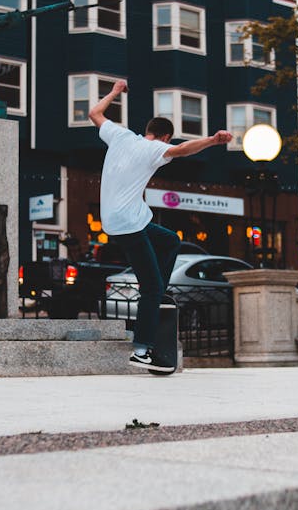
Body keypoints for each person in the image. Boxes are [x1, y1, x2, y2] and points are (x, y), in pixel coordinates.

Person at [89, 80, 233, 373]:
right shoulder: (155, 150)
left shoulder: (120, 136)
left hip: (123, 220)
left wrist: (116, 92)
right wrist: (213, 140)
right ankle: (141, 350)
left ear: (147, 129)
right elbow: (183, 150)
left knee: (170, 241)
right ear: (165, 136)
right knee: (151, 287)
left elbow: (95, 113)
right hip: (129, 224)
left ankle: (159, 290)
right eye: (168, 140)